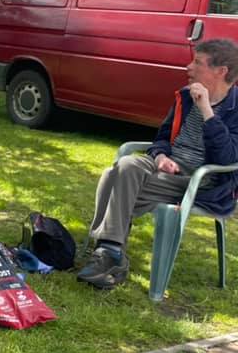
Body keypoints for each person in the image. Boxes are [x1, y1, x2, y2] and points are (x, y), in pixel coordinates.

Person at [79, 39, 238, 290]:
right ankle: (110, 252)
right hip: (166, 169)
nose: (188, 67)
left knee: (113, 176)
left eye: (197, 62)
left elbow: (229, 159)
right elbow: (162, 138)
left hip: (202, 182)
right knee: (127, 165)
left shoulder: (235, 107)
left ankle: (107, 250)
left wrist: (207, 110)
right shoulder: (185, 97)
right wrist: (161, 157)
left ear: (221, 71)